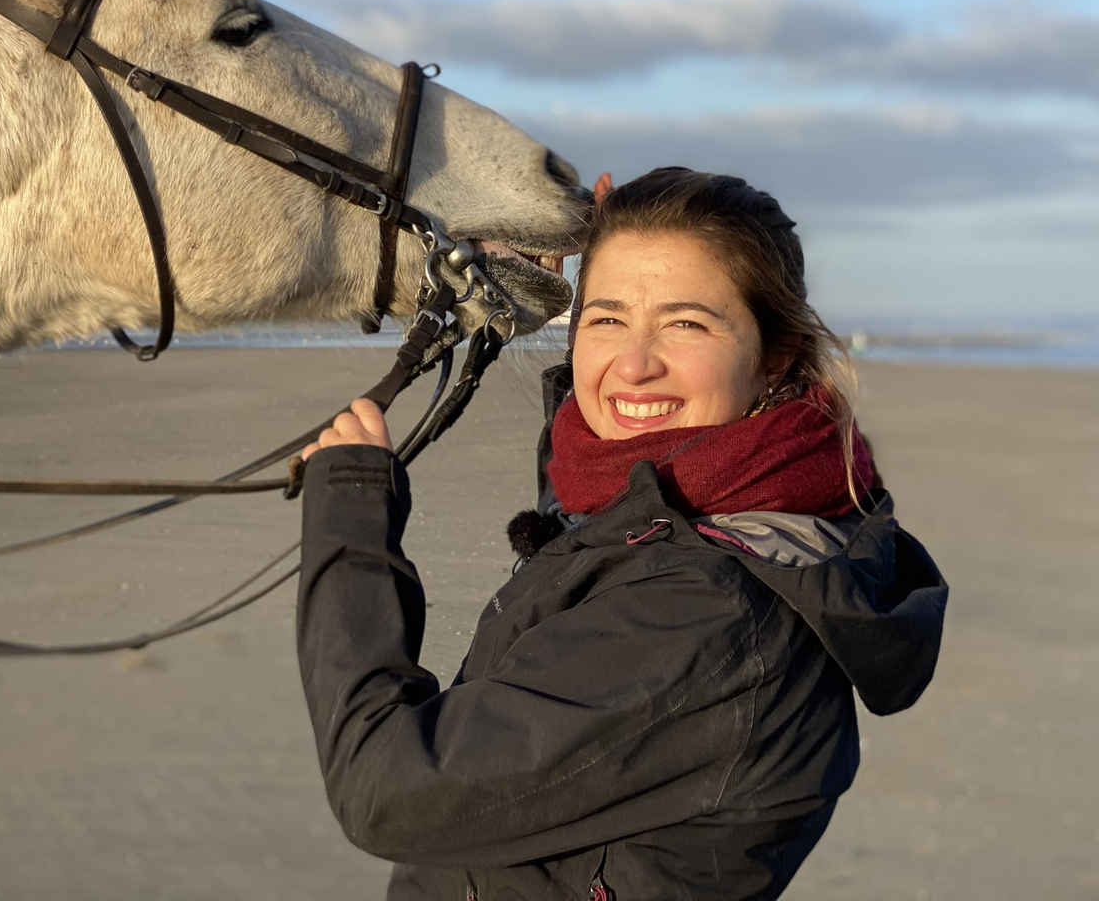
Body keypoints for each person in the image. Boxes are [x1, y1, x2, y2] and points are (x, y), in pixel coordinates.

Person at [295, 166, 947, 900]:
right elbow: (613, 488)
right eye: (607, 319)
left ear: (774, 355)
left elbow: (390, 791)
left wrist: (350, 521)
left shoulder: (707, 613)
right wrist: (588, 248)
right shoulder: (733, 502)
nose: (633, 366)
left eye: (687, 323)